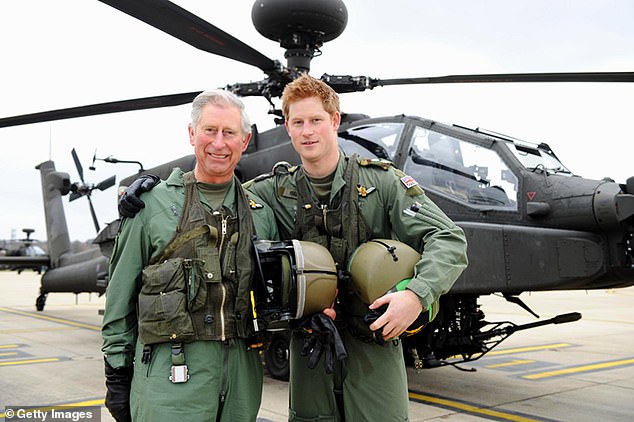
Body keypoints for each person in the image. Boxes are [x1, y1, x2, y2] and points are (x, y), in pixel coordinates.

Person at [119, 75, 469, 421]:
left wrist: (415, 296)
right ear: (287, 127)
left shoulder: (381, 182)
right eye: (297, 122)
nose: (307, 131)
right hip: (309, 350)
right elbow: (215, 187)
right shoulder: (272, 191)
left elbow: (449, 238)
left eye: (316, 120)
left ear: (334, 120)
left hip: (374, 347)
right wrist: (150, 188)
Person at [101, 89, 278, 422]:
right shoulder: (151, 205)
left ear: (245, 141)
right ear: (191, 133)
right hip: (170, 380)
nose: (219, 143)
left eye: (230, 133)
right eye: (210, 130)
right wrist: (117, 375)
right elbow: (119, 296)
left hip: (242, 380)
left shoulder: (261, 212)